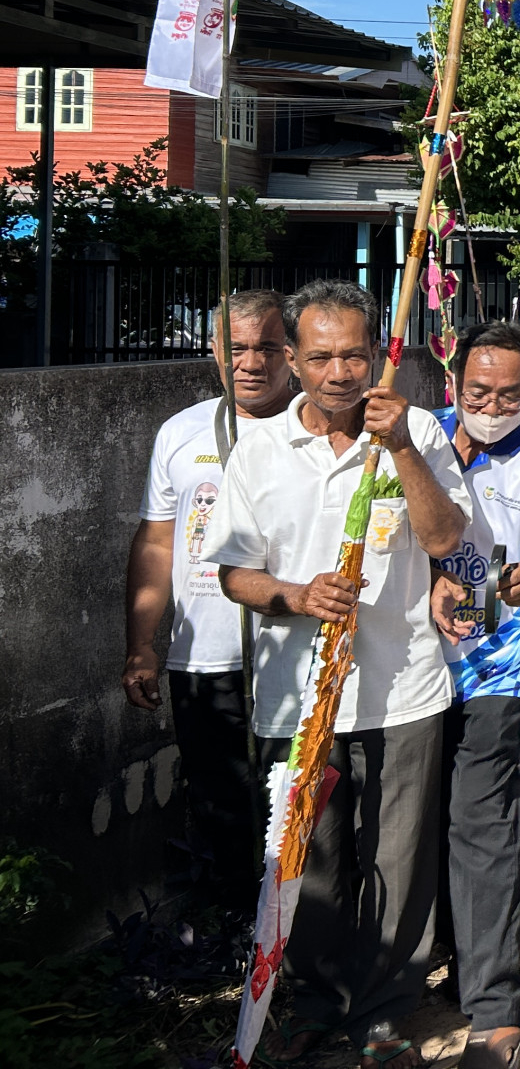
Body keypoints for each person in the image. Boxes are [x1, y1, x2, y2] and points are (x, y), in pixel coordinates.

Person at [201, 281, 472, 1063]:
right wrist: (293, 593)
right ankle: (321, 1000)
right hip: (297, 699)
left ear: (377, 354)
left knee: (398, 858)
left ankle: (385, 1011)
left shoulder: (412, 428)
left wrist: (403, 450)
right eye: (320, 356)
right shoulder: (256, 449)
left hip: (404, 685)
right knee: (308, 862)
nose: (340, 371)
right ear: (292, 358)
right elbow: (233, 575)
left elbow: (449, 538)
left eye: (355, 354)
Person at [427, 322, 520, 1069]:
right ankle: (433, 967)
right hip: (408, 670)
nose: (490, 406)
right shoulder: (419, 440)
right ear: (452, 379)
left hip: (497, 670)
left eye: (509, 394)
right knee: (414, 829)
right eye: (478, 391)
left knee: (481, 829)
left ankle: (494, 1007)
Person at [123, 289, 294, 908]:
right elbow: (158, 543)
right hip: (204, 657)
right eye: (237, 347)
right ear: (215, 351)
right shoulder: (183, 431)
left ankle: (298, 941)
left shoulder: (316, 427)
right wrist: (141, 645)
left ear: (292, 353)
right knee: (222, 805)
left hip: (292, 653)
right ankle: (237, 938)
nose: (251, 362)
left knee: (296, 803)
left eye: (268, 347)